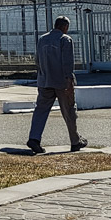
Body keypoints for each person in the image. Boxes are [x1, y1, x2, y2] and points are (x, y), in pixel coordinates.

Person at [26, 15, 87, 154]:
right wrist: (69, 81)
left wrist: (41, 77)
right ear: (65, 27)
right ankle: (75, 141)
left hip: (44, 81)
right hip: (61, 82)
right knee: (69, 111)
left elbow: (37, 60)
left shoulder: (42, 39)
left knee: (40, 110)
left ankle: (34, 139)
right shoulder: (65, 40)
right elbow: (67, 63)